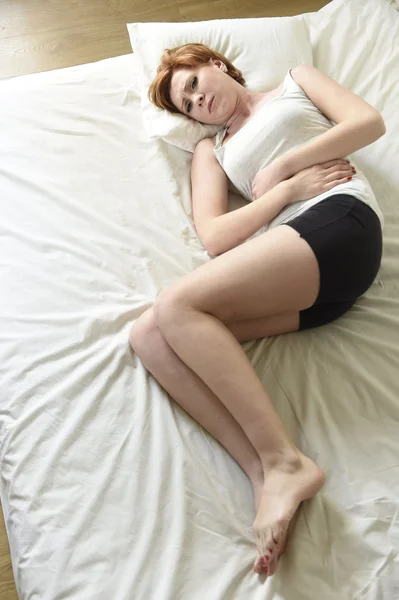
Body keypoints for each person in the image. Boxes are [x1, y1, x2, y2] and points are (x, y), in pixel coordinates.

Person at [129, 43, 385, 576]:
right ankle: (263, 475)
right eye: (187, 106)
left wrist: (293, 162)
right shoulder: (211, 151)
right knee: (150, 336)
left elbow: (368, 122)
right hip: (308, 282)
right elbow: (216, 236)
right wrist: (283, 190)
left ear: (217, 65)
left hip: (341, 222)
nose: (198, 103)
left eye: (195, 85)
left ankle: (283, 459)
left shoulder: (296, 81)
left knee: (177, 303)